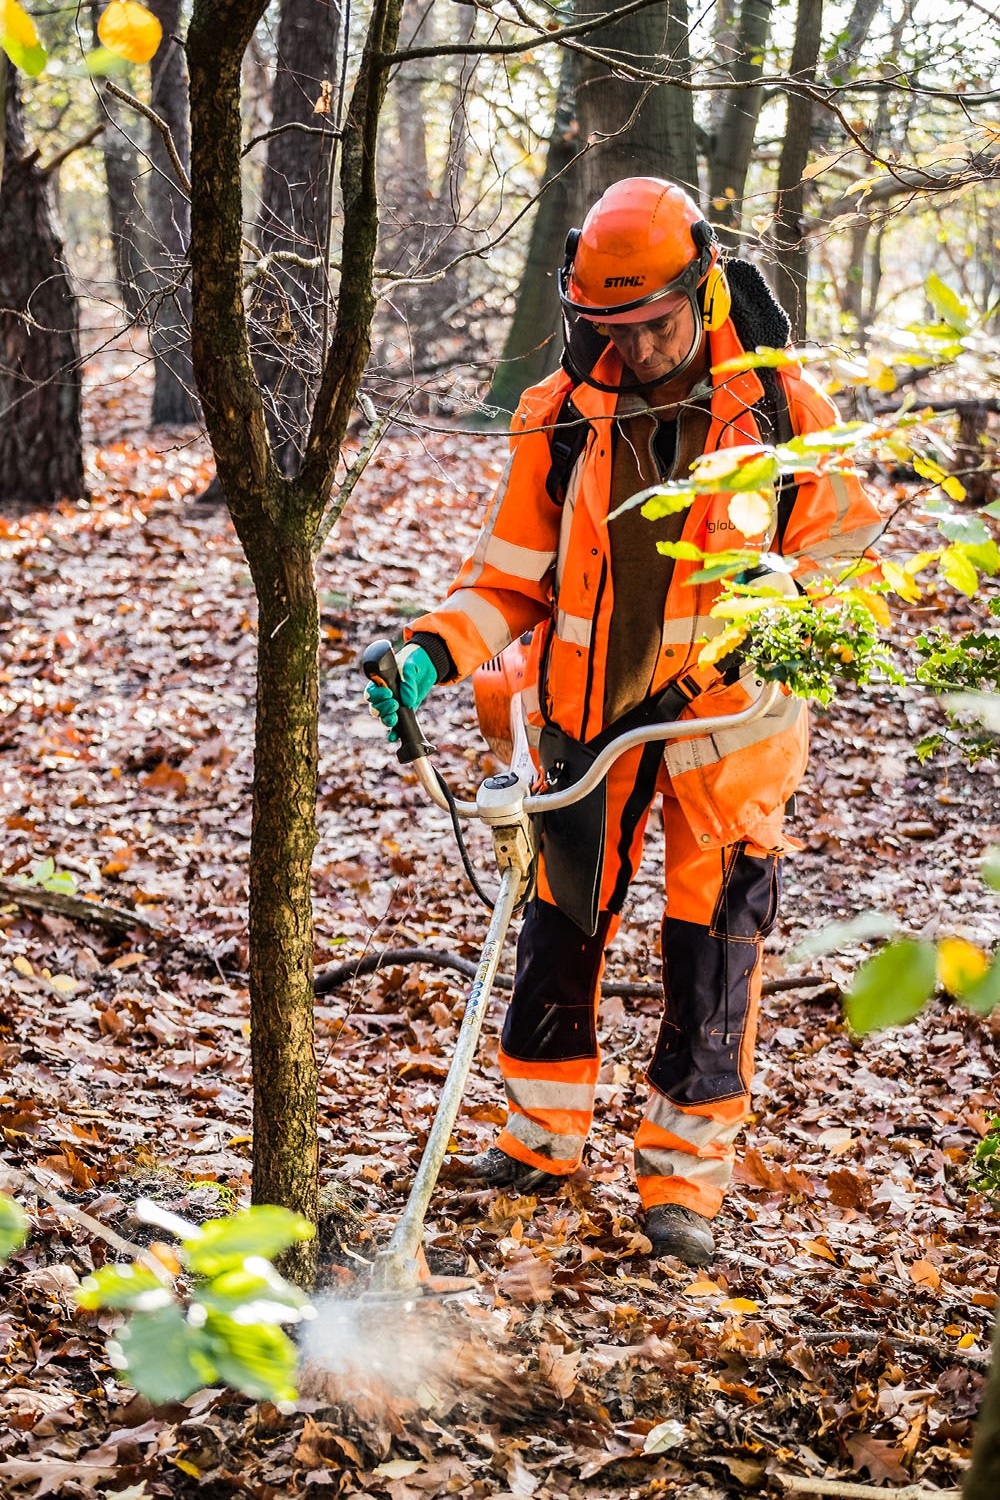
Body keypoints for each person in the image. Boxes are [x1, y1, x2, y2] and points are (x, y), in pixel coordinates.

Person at [365, 177, 882, 1267]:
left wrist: (776, 618)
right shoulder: (559, 414)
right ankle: (539, 1142)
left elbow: (840, 559)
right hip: (588, 722)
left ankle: (681, 1187)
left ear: (700, 284)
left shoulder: (786, 411)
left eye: (651, 322)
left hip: (728, 734)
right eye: (610, 326)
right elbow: (507, 580)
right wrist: (429, 652)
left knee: (711, 956)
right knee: (558, 931)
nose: (634, 346)